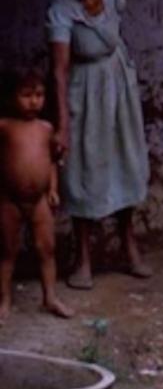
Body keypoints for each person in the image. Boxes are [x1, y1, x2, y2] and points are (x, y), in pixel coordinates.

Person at [47, 0, 151, 290]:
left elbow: (116, 25)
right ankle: (83, 258)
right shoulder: (60, 10)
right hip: (85, 89)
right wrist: (62, 124)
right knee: (84, 168)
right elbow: (59, 70)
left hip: (117, 80)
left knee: (126, 159)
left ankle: (128, 246)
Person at [0, 67, 74, 320]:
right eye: (26, 95)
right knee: (7, 251)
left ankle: (50, 298)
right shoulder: (5, 126)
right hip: (9, 200)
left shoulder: (46, 128)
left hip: (40, 200)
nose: (34, 101)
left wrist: (53, 188)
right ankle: (5, 300)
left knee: (46, 249)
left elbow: (51, 161)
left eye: (39, 95)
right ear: (11, 98)